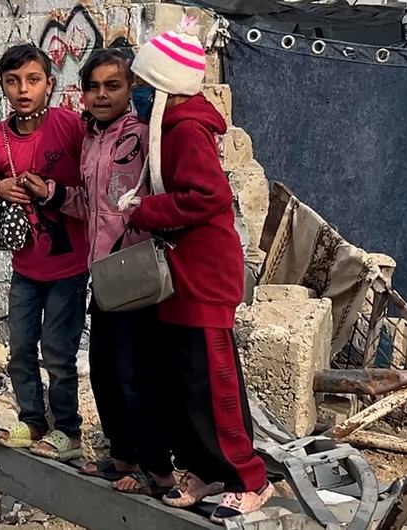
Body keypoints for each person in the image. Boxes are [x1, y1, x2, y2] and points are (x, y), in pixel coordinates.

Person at [123, 22, 275, 521]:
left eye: (143, 86)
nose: (137, 95)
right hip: (182, 279)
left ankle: (248, 479)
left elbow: (205, 197)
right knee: (186, 381)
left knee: (214, 384)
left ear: (163, 87)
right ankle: (204, 468)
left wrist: (146, 211)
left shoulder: (186, 129)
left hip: (203, 279)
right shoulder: (170, 126)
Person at [34, 48, 177, 497]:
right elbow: (94, 206)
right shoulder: (91, 139)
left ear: (130, 88)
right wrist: (53, 193)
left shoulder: (141, 137)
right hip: (105, 274)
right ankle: (122, 457)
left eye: (112, 86)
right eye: (93, 86)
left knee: (138, 374)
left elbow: (160, 199)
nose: (101, 95)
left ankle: (157, 470)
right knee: (104, 371)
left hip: (137, 272)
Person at [0, 43, 89, 462]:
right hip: (26, 267)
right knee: (20, 348)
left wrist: (54, 194)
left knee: (58, 352)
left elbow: (95, 184)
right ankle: (33, 421)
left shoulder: (70, 126)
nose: (23, 89)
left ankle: (69, 432)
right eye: (13, 81)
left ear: (50, 84)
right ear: (3, 86)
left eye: (33, 80)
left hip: (70, 266)